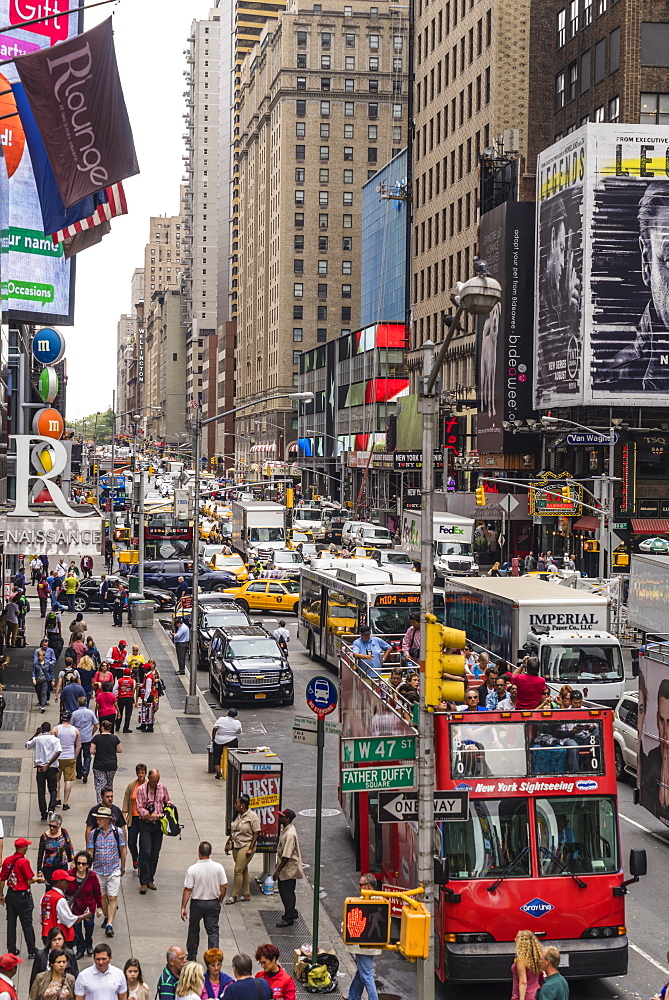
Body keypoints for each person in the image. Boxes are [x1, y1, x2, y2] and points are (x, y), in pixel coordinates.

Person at [181, 841, 227, 961]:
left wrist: (183, 907)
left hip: (197, 903)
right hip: (213, 902)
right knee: (213, 931)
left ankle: (192, 956)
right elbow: (224, 886)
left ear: (198, 853)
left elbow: (188, 889)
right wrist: (220, 901)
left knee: (193, 929)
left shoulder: (193, 869)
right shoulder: (218, 867)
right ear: (210, 853)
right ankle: (214, 958)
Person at [0, 837, 44, 958]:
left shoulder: (8, 861)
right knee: (27, 924)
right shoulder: (24, 862)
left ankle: (11, 949)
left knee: (11, 923)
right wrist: (38, 880)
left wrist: (1, 894)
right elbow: (29, 880)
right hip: (22, 896)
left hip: (11, 894)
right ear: (24, 848)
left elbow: (2, 879)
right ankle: (31, 950)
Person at [86, 807, 126, 939]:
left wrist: (123, 867)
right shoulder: (94, 834)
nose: (97, 821)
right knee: (102, 898)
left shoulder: (118, 832)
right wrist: (87, 868)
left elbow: (122, 850)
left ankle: (109, 924)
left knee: (112, 897)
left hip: (113, 869)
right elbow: (90, 852)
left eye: (100, 819)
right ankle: (108, 915)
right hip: (98, 871)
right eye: (97, 818)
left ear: (108, 820)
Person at [346, 873, 381, 1000]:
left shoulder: (364, 901)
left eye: (361, 885)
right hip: (372, 944)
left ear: (368, 886)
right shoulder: (381, 900)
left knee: (366, 974)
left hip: (362, 943)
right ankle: (353, 996)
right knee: (361, 971)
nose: (358, 887)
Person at [136, 769, 172, 893]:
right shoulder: (141, 789)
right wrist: (150, 815)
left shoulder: (162, 788)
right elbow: (139, 808)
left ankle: (150, 878)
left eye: (157, 781)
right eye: (153, 781)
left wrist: (168, 806)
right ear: (148, 779)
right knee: (146, 852)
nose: (155, 783)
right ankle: (143, 881)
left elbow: (167, 801)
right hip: (145, 824)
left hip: (158, 826)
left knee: (155, 853)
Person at [39, 870, 90, 949]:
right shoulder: (60, 899)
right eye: (66, 881)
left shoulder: (45, 896)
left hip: (46, 935)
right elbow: (70, 920)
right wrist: (86, 915)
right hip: (60, 937)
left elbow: (41, 918)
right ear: (60, 882)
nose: (68, 884)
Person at [224, 795, 260, 905]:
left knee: (237, 870)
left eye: (237, 803)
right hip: (236, 844)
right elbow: (234, 831)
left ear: (242, 805)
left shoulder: (253, 816)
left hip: (246, 845)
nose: (235, 805)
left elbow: (256, 833)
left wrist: (250, 848)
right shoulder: (237, 815)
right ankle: (246, 894)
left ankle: (234, 895)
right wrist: (228, 842)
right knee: (243, 869)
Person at [66, 853, 101, 960]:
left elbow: (97, 892)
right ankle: (81, 948)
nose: (80, 866)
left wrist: (99, 907)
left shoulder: (92, 876)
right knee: (77, 930)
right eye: (78, 863)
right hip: (75, 907)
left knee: (89, 927)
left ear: (88, 865)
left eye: (83, 864)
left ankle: (88, 943)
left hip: (88, 907)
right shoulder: (69, 875)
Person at [273, 810, 303, 928]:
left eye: (282, 817)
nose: (279, 818)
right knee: (286, 891)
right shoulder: (286, 830)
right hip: (286, 868)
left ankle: (289, 916)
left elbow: (286, 855)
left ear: (288, 819)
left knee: (287, 892)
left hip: (288, 869)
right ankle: (291, 912)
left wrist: (278, 870)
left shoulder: (290, 834)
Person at [26, 723, 62, 821]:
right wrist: (49, 764)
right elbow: (59, 751)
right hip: (52, 767)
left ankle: (43, 814)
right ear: (50, 729)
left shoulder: (37, 739)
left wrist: (35, 734)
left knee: (41, 791)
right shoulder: (55, 740)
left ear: (41, 729)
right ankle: (51, 807)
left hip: (40, 768)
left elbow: (27, 745)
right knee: (53, 789)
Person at [52, 714, 80, 812]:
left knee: (57, 779)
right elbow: (78, 745)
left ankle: (57, 798)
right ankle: (65, 802)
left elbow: (52, 743)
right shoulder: (75, 730)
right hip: (70, 757)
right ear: (70, 719)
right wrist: (75, 756)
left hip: (58, 757)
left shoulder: (56, 729)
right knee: (68, 780)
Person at [121, 765, 147, 871]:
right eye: (139, 773)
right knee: (131, 842)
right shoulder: (131, 786)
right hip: (134, 818)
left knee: (143, 843)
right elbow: (126, 800)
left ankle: (140, 863)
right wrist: (124, 814)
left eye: (143, 773)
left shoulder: (148, 786)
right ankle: (135, 858)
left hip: (144, 818)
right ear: (136, 773)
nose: (141, 775)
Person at [90, 720, 121, 802]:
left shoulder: (97, 738)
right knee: (109, 784)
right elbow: (119, 749)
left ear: (102, 727)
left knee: (100, 785)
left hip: (99, 765)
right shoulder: (115, 738)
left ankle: (101, 802)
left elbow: (91, 750)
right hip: (111, 765)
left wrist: (98, 751)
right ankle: (109, 800)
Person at [37, 818, 74, 887]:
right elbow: (40, 853)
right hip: (49, 867)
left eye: (54, 826)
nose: (51, 828)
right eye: (50, 825)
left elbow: (69, 845)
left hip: (62, 865)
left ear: (59, 825)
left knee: (62, 885)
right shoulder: (44, 837)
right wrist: (39, 870)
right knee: (50, 886)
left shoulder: (64, 832)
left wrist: (72, 860)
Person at [511, 929, 543, 1000]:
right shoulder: (536, 959)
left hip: (525, 996)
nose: (515, 940)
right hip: (536, 994)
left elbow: (523, 982)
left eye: (517, 938)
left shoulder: (521, 960)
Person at [211, 709, 242, 780]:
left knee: (216, 756)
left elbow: (214, 728)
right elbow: (239, 731)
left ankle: (218, 772)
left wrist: (213, 738)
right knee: (234, 755)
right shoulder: (237, 722)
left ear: (228, 713)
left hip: (219, 741)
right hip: (232, 741)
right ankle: (232, 770)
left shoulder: (221, 719)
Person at [33, 642, 56, 713]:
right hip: (38, 679)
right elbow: (33, 671)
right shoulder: (36, 663)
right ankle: (41, 702)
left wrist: (52, 680)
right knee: (39, 692)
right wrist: (33, 678)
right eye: (39, 656)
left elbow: (51, 672)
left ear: (44, 656)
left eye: (41, 656)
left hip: (45, 680)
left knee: (44, 692)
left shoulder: (47, 663)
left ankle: (43, 706)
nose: (40, 657)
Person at [137, 663, 160, 733]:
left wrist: (145, 699)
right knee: (145, 711)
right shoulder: (149, 676)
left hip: (148, 697)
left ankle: (150, 727)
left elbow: (148, 689)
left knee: (148, 712)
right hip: (147, 696)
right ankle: (143, 724)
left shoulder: (149, 678)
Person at [113, 669, 135, 734]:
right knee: (128, 714)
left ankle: (117, 727)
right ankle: (126, 728)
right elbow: (133, 689)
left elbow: (115, 689)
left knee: (119, 713)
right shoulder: (132, 681)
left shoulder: (119, 680)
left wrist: (117, 695)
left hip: (121, 698)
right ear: (130, 673)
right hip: (129, 698)